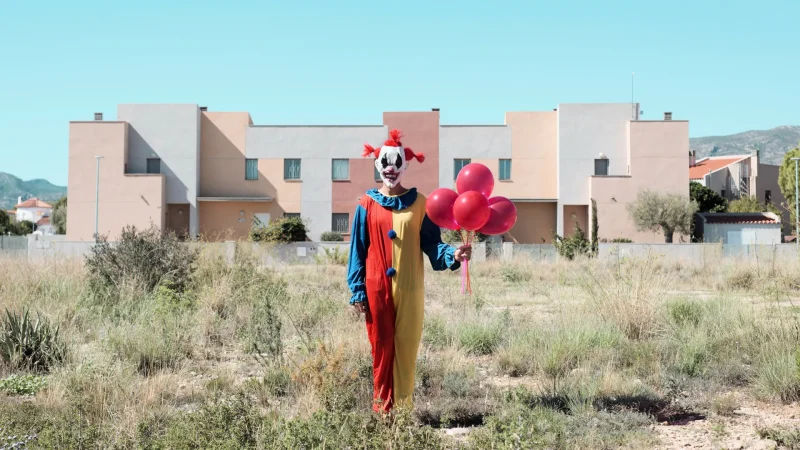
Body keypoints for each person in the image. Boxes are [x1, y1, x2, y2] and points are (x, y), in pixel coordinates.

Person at [347, 129, 471, 413]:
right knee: (381, 349)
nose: (391, 168)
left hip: (411, 289)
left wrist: (453, 253)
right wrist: (357, 291)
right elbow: (357, 252)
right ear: (378, 164)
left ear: (405, 164)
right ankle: (382, 412)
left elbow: (432, 245)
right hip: (376, 289)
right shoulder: (365, 205)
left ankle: (402, 415)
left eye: (396, 162)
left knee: (406, 350)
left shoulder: (421, 204)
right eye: (386, 162)